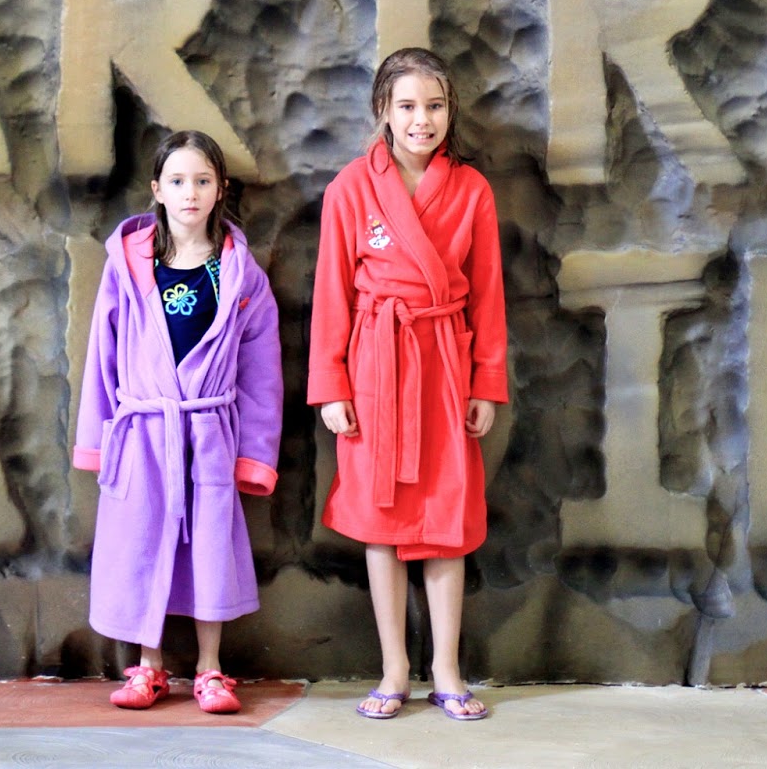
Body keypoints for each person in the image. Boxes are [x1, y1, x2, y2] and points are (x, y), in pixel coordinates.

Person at [309, 47, 508, 721]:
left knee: (447, 518)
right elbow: (332, 294)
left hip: (445, 362)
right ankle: (394, 668)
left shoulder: (472, 190)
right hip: (376, 365)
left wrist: (486, 383)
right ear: (383, 111)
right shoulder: (350, 188)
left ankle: (447, 668)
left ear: (450, 112)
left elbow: (488, 297)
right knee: (381, 520)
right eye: (408, 106)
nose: (422, 119)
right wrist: (332, 386)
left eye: (435, 106)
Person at [73, 130, 284, 714]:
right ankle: (149, 666)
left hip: (209, 430)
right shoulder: (129, 267)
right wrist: (98, 441)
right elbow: (102, 355)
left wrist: (254, 454)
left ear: (220, 190)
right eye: (178, 181)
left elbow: (261, 372)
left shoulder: (238, 274)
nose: (190, 192)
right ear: (157, 190)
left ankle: (211, 669)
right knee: (143, 543)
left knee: (210, 548)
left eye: (202, 181)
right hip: (144, 432)